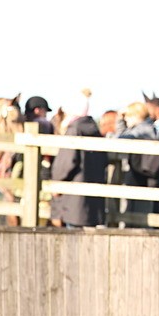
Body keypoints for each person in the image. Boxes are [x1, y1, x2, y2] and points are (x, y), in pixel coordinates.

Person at [48, 96, 106, 227]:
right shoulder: (94, 130)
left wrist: (57, 182)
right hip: (93, 204)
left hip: (73, 203)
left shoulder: (74, 129)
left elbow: (66, 161)